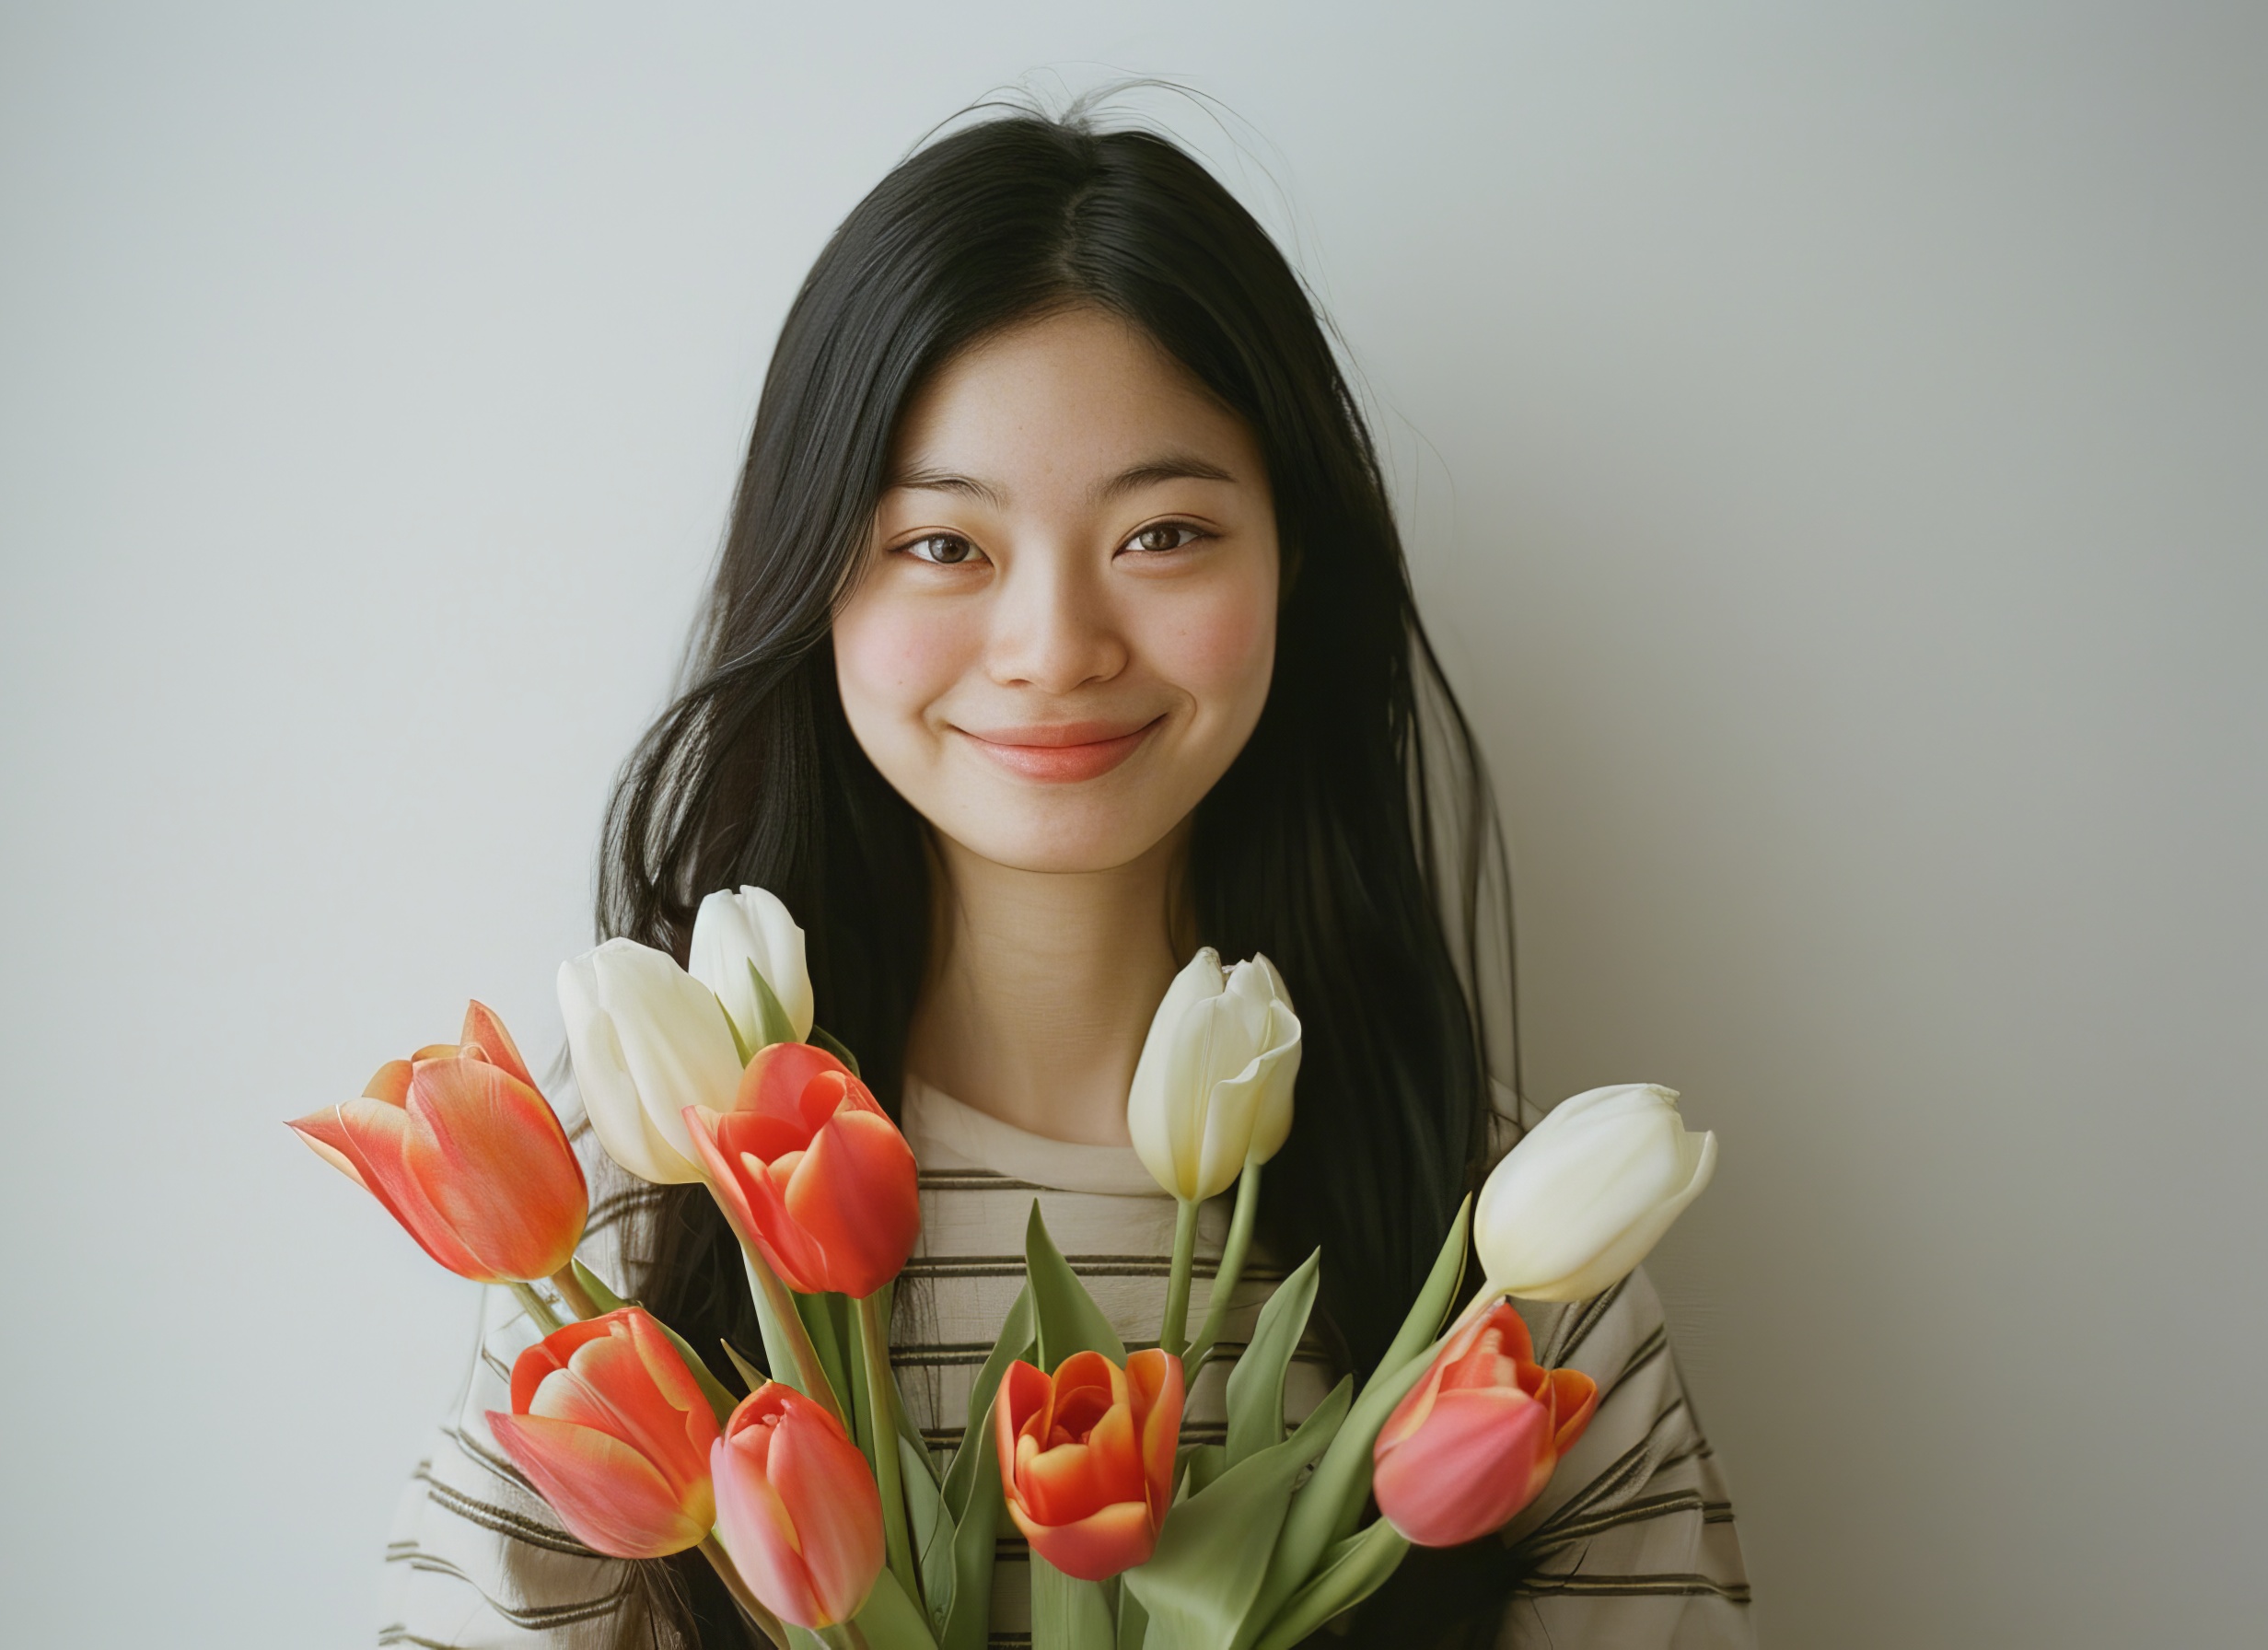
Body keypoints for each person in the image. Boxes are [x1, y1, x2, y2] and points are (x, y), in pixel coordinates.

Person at [379, 108, 1753, 1649]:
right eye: (943, 545)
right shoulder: (641, 1211)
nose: (1054, 647)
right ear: (812, 576)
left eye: (1163, 533)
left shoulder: (1502, 1260)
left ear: (1294, 563)